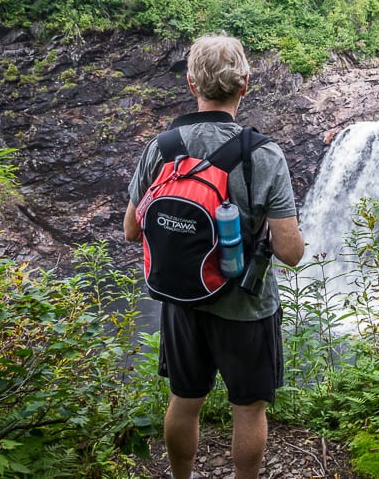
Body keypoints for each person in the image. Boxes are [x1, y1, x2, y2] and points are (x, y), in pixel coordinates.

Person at [123, 34, 304, 479]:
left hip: (182, 300)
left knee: (184, 402)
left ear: (190, 84)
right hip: (246, 306)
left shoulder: (161, 147)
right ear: (245, 84)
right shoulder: (262, 154)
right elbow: (291, 252)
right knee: (248, 409)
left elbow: (131, 229)